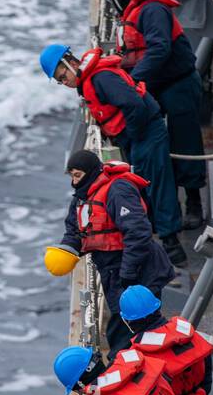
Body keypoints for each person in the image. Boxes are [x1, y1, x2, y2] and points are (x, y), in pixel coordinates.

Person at [40, 43, 186, 267]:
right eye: (60, 81)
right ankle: (160, 232)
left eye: (63, 76)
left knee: (157, 183)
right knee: (146, 184)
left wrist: (134, 136)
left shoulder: (101, 79)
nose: (64, 82)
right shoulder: (90, 81)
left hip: (145, 132)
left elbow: (134, 105)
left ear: (72, 63)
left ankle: (172, 244)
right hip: (135, 136)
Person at [102, 0, 207, 230]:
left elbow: (160, 48)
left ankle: (194, 200)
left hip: (177, 83)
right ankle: (160, 201)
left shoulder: (152, 10)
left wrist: (132, 79)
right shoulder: (134, 13)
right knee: (156, 145)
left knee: (186, 142)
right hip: (153, 84)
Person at [46, 150, 176, 352]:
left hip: (139, 270)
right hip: (112, 272)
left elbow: (138, 232)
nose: (73, 182)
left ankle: (130, 368)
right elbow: (74, 229)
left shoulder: (118, 190)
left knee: (135, 327)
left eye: (77, 175)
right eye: (71, 176)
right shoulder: (81, 198)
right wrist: (67, 249)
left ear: (90, 173)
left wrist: (128, 273)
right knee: (124, 324)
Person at [115, 285, 213, 395]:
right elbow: (207, 380)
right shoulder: (190, 335)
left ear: (128, 321)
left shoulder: (136, 358)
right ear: (157, 308)